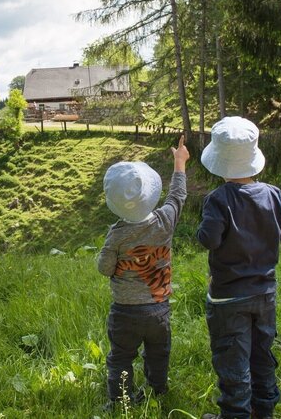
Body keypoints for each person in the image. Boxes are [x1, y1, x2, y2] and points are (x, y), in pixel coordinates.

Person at [197, 117, 281, 419]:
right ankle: (263, 411)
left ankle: (235, 414)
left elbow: (208, 240)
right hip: (265, 294)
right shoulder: (273, 194)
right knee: (262, 355)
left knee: (232, 359)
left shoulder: (218, 200)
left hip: (228, 298)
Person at [96, 135, 189, 409]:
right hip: (159, 309)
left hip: (125, 311)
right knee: (158, 352)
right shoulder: (165, 221)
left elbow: (104, 269)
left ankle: (121, 400)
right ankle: (158, 389)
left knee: (122, 356)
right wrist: (179, 163)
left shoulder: (116, 236)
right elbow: (177, 195)